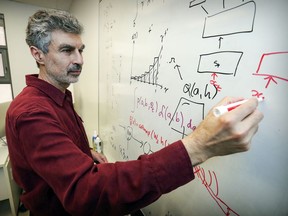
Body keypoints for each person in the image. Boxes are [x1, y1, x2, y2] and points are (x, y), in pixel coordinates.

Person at [5, 9, 263, 216]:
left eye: (81, 50)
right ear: (37, 54)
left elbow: (56, 148)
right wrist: (198, 146)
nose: (80, 60)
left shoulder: (58, 96)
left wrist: (84, 153)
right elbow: (85, 193)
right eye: (66, 50)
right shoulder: (31, 113)